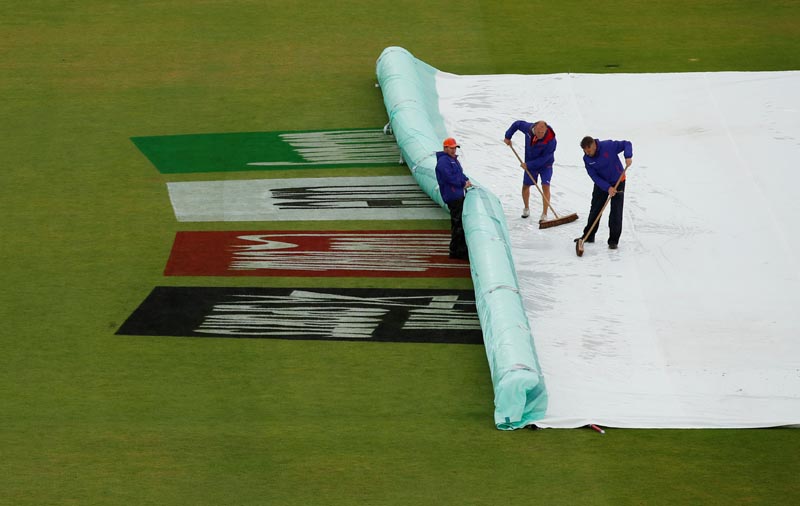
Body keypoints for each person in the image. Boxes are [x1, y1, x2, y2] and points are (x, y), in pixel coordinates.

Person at [577, 136, 633, 249]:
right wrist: (607, 188)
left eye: (589, 151)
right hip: (602, 184)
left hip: (618, 180)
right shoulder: (586, 159)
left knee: (616, 211)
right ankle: (588, 235)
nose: (588, 154)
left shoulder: (608, 146)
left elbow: (627, 143)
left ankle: (613, 241)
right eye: (585, 151)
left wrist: (628, 156)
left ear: (594, 145)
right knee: (595, 209)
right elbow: (593, 176)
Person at [503, 120, 557, 222]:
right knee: (525, 186)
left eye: (543, 132)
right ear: (534, 128)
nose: (540, 134)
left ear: (546, 130)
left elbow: (545, 158)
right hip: (530, 162)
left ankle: (544, 214)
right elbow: (517, 124)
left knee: (545, 186)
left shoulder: (551, 139)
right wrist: (508, 136)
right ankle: (526, 208)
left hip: (546, 165)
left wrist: (528, 165)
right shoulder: (528, 129)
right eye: (538, 132)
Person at [435, 137, 472, 260]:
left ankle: (458, 249)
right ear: (445, 148)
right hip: (453, 196)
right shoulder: (444, 162)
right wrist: (463, 183)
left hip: (456, 194)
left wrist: (465, 179)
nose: (454, 150)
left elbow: (458, 174)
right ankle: (457, 250)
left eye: (455, 148)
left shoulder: (451, 160)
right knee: (457, 223)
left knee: (458, 222)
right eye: (451, 148)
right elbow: (449, 178)